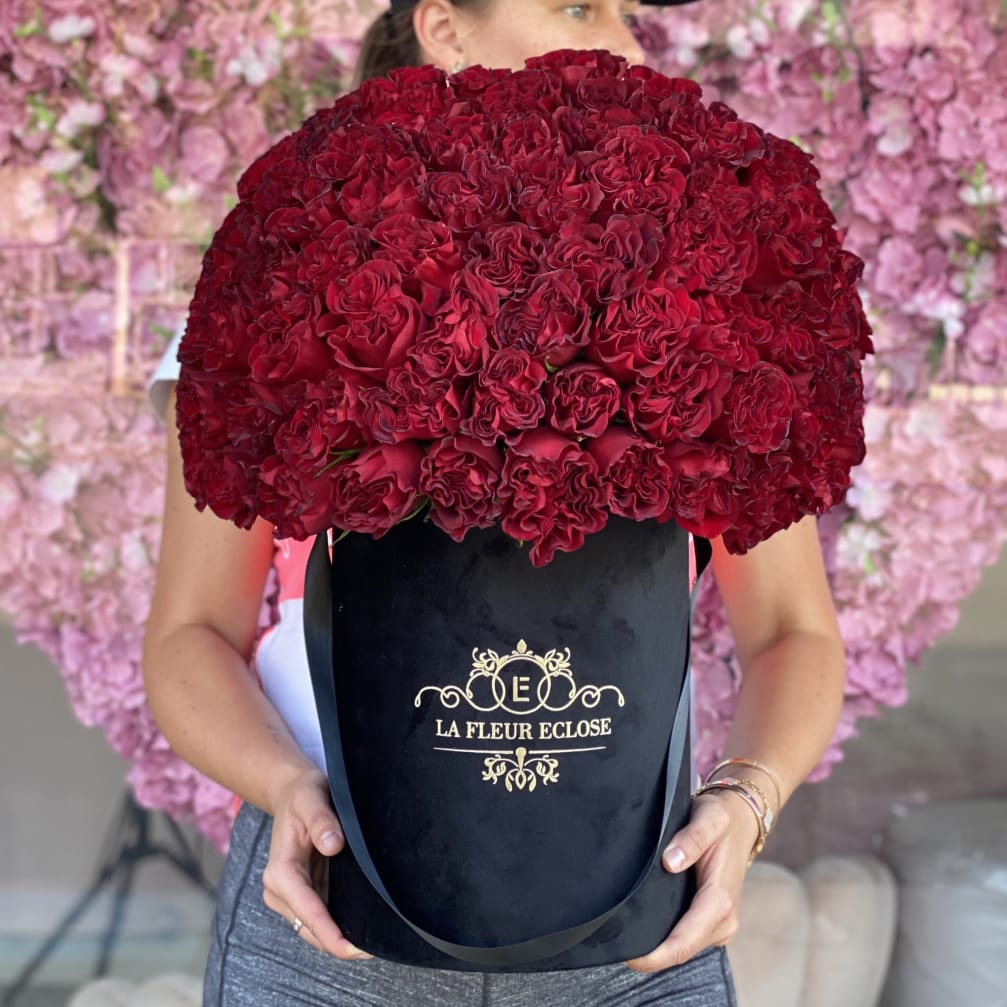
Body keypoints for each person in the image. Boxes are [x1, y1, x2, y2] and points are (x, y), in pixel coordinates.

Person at [142, 1, 848, 1004]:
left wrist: (746, 795)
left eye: (621, 13)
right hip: (331, 911)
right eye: (575, 7)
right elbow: (188, 632)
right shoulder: (279, 297)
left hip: (631, 911)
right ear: (445, 28)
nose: (622, 43)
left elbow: (791, 629)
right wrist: (285, 789)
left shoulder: (700, 317)